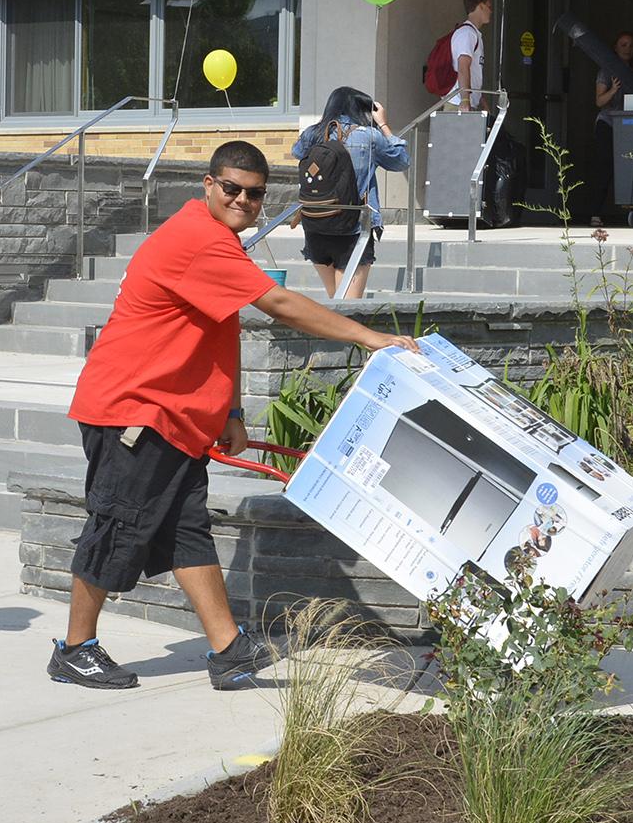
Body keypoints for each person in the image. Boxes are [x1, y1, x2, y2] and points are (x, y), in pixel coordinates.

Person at [47, 141, 419, 692]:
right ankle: (75, 649)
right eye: (232, 189)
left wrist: (232, 410)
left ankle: (228, 651)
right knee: (117, 525)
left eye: (255, 193)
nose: (243, 200)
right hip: (134, 410)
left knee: (186, 532)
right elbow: (280, 305)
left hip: (172, 415)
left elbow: (225, 332)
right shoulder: (199, 241)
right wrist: (371, 339)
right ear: (208, 185)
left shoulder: (218, 242)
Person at [290, 86, 410, 298]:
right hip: (353, 228)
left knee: (334, 300)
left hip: (316, 224)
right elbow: (401, 161)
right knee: (347, 309)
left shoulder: (312, 134)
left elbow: (297, 152)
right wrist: (383, 124)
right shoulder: (370, 137)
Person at [590, 30, 633, 226]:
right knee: (604, 166)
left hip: (628, 124)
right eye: (623, 45)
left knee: (629, 167)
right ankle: (595, 213)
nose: (628, 49)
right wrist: (614, 89)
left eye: (631, 45)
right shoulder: (606, 70)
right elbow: (599, 101)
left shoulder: (632, 72)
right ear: (615, 48)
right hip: (608, 123)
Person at [452, 0, 493, 113]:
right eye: (489, 6)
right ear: (480, 6)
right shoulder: (467, 33)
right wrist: (465, 100)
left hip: (466, 104)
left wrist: (481, 100)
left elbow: (473, 73)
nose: (491, 11)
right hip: (459, 105)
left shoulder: (473, 33)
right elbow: (463, 66)